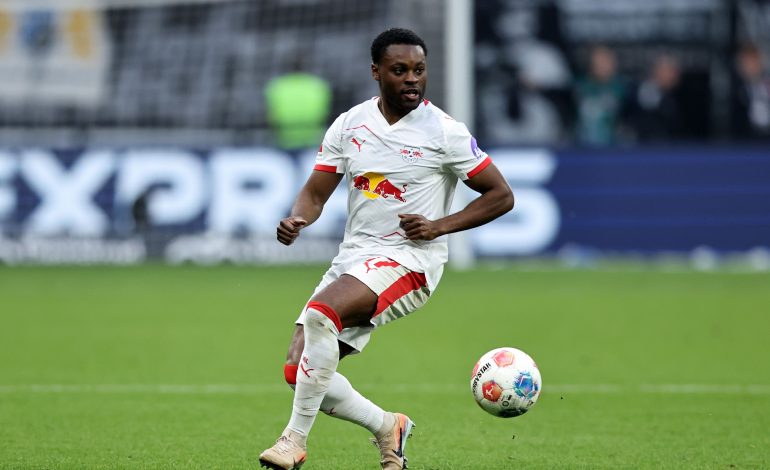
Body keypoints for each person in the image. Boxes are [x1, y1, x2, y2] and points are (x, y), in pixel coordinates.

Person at [258, 28, 514, 470]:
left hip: (410, 262)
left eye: (419, 70)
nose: (412, 79)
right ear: (376, 72)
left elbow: (501, 195)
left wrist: (437, 226)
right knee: (298, 370)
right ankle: (387, 426)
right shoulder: (350, 124)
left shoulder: (445, 132)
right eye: (400, 70)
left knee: (321, 314)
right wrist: (298, 217)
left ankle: (292, 441)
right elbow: (315, 194)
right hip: (354, 259)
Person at [265, 58, 332, 150]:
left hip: (284, 140)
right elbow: (325, 113)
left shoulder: (276, 86)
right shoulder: (319, 86)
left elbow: (272, 115)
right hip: (313, 140)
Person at [574, 45, 629, 146]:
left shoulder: (624, 88)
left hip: (615, 146)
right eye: (599, 61)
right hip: (582, 146)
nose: (603, 66)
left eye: (606, 61)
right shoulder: (580, 87)